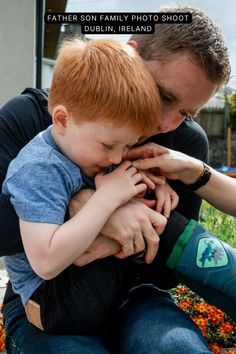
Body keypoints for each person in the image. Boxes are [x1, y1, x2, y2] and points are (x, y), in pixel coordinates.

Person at [0, 4, 230, 354]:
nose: (165, 123)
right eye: (163, 95)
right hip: (49, 303)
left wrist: (132, 221)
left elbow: (164, 277)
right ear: (130, 54)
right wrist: (96, 207)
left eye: (184, 113)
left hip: (136, 297)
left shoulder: (184, 144)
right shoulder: (31, 117)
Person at [2, 37, 168, 334]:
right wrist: (105, 199)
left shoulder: (86, 150)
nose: (117, 156)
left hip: (83, 284)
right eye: (109, 144)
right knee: (167, 229)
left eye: (127, 145)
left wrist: (154, 182)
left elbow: (123, 180)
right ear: (62, 119)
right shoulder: (38, 168)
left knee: (158, 220)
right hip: (53, 297)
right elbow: (47, 261)